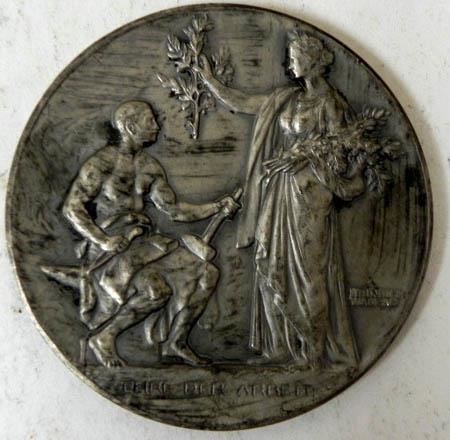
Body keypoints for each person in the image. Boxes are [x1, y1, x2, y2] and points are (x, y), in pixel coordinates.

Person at [196, 31, 366, 368]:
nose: (289, 63)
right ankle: (281, 348)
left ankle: (313, 352)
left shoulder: (333, 104)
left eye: (294, 57)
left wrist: (304, 155)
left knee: (308, 273)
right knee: (270, 266)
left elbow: (344, 155)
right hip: (278, 193)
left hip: (311, 195)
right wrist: (209, 80)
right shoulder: (287, 98)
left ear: (313, 61)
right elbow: (243, 104)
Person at [56, 100, 237, 367]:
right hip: (110, 246)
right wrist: (103, 241)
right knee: (156, 290)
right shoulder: (102, 163)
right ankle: (104, 337)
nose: (157, 126)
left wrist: (216, 207)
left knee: (206, 273)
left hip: (142, 244)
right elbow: (72, 208)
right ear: (130, 127)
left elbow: (174, 210)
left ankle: (176, 342)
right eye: (150, 121)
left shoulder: (150, 167)